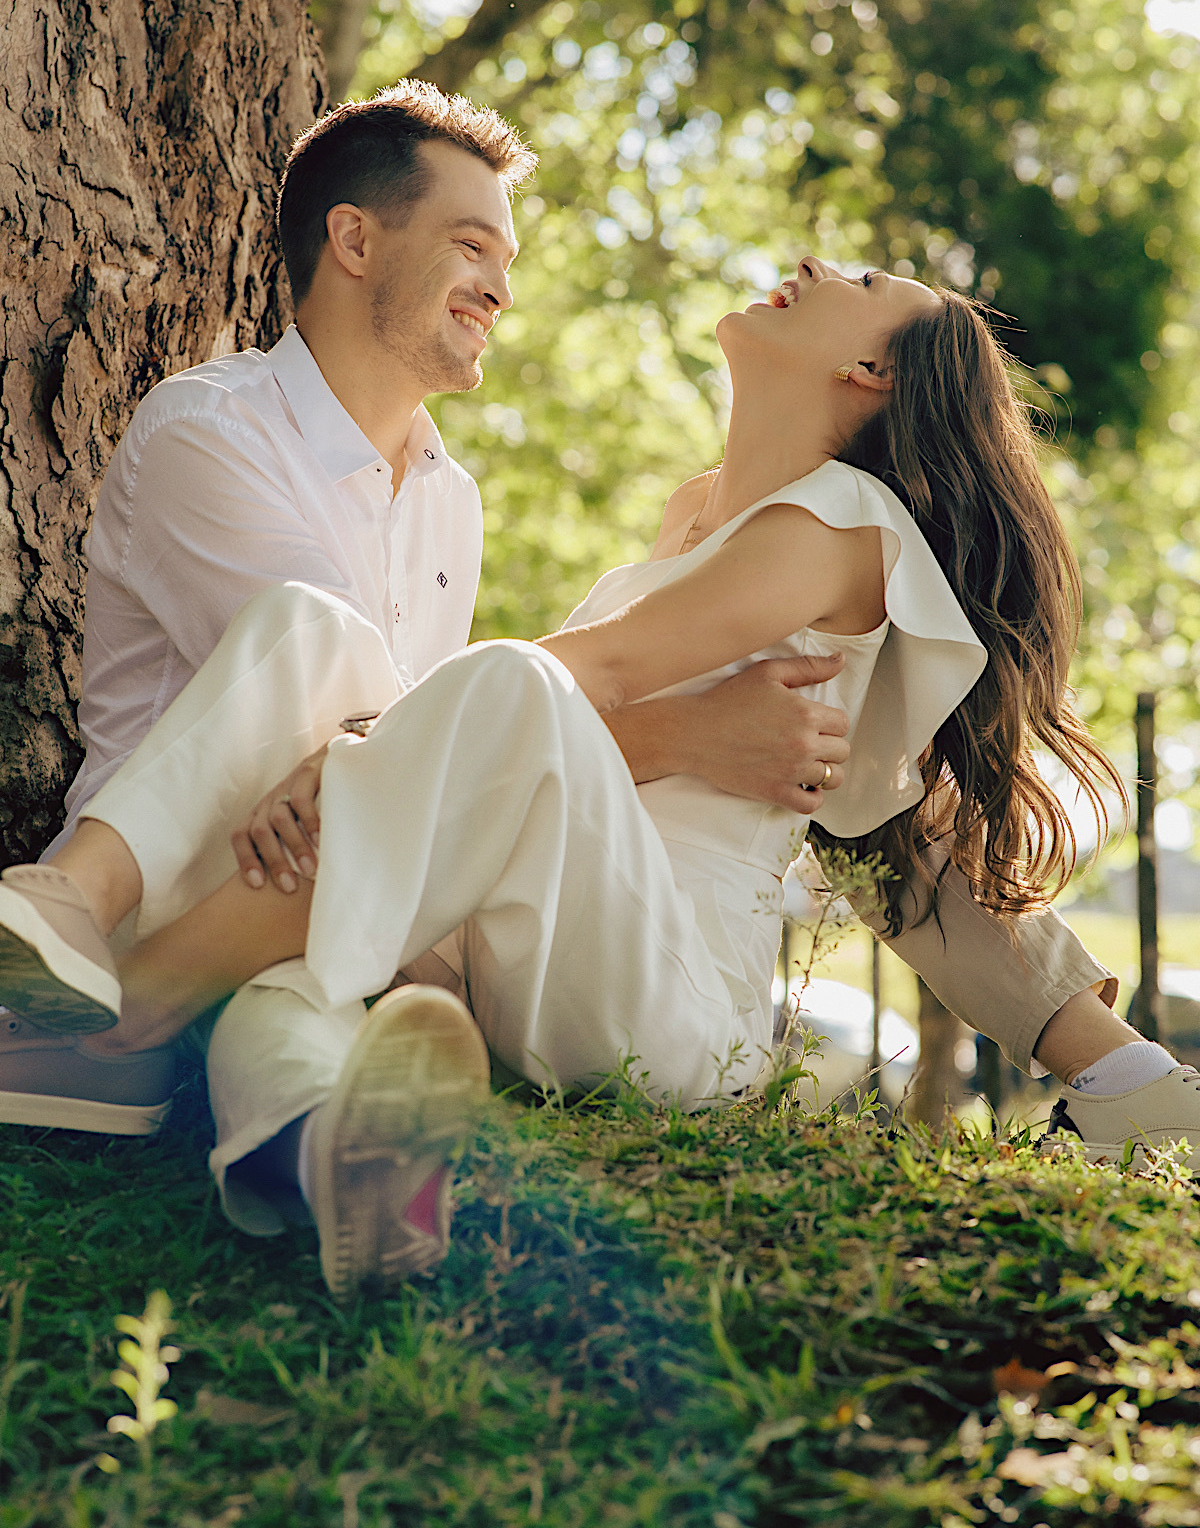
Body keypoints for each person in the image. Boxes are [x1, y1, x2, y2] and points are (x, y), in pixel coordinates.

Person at [5, 261, 1193, 1303]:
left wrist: (355, 752)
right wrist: (379, 746)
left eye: (866, 284)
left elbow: (602, 679)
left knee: (509, 685)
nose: (818, 261)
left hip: (670, 1002)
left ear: (874, 371)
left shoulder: (845, 523)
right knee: (308, 639)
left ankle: (117, 1022)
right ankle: (308, 1144)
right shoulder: (698, 517)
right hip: (551, 938)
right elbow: (574, 727)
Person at [0, 83, 856, 1136]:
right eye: (470, 247)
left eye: (506, 263)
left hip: (337, 899)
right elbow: (362, 728)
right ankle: (65, 919)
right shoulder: (210, 435)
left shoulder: (452, 499)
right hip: (191, 889)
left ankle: (297, 1151)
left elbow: (403, 761)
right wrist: (678, 735)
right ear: (354, 240)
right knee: (314, 636)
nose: (500, 289)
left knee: (304, 1017)